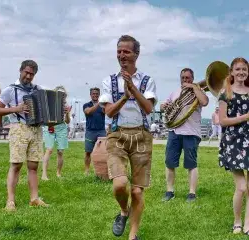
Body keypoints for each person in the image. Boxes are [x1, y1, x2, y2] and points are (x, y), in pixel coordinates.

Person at [99, 35, 157, 240]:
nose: (121, 55)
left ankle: (133, 236)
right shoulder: (109, 81)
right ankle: (124, 211)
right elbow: (109, 112)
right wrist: (124, 95)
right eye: (119, 51)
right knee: (120, 184)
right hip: (117, 135)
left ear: (136, 54)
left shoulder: (148, 81)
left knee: (138, 192)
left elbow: (149, 108)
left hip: (142, 135)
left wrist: (132, 88)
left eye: (126, 51)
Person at [0, 59, 48, 211]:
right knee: (16, 165)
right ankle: (10, 201)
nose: (29, 77)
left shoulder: (38, 90)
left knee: (33, 166)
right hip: (18, 128)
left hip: (36, 130)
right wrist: (15, 109)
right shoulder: (10, 90)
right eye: (27, 73)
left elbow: (45, 110)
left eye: (32, 74)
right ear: (21, 70)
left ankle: (34, 198)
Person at [160, 68, 209, 202]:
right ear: (180, 78)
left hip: (191, 132)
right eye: (183, 78)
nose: (185, 80)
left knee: (191, 164)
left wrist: (194, 87)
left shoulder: (198, 91)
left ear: (192, 79)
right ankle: (169, 191)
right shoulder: (174, 92)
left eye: (188, 78)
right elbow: (163, 107)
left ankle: (192, 193)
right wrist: (164, 106)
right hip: (174, 131)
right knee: (169, 162)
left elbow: (204, 102)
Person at [218, 57, 249, 235]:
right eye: (238, 69)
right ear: (231, 72)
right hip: (233, 143)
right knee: (242, 187)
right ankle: (237, 221)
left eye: (244, 69)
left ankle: (247, 224)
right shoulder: (225, 93)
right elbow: (222, 121)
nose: (241, 73)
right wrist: (245, 117)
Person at [42, 86, 71, 180]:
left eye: (63, 95)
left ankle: (58, 173)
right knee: (49, 150)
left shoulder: (66, 106)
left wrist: (67, 113)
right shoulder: (49, 103)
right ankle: (44, 175)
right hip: (50, 127)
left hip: (61, 127)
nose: (62, 97)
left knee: (60, 151)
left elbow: (67, 121)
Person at [83, 87, 106, 175]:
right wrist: (98, 104)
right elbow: (88, 112)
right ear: (90, 95)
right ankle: (87, 170)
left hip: (101, 131)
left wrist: (103, 105)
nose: (95, 95)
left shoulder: (103, 105)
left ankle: (102, 170)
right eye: (93, 94)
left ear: (99, 95)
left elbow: (107, 113)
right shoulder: (86, 105)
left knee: (103, 152)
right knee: (88, 152)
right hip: (90, 132)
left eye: (97, 94)